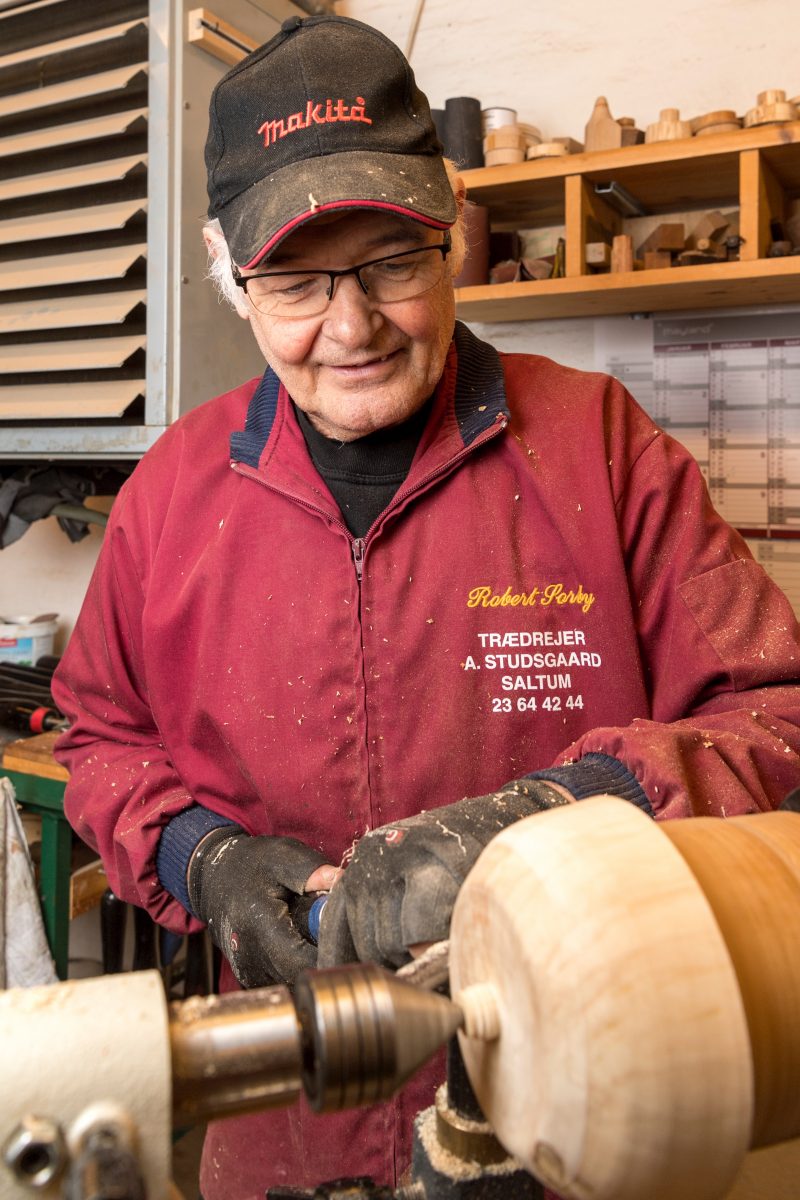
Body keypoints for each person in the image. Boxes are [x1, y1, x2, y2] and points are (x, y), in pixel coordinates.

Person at [52, 12, 800, 1200]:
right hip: (280, 1107)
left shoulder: (601, 450)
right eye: (295, 281)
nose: (349, 329)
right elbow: (100, 738)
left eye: (392, 262)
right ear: (227, 277)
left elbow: (776, 712)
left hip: (576, 1107)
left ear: (451, 232)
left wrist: (567, 803)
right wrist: (205, 862)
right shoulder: (166, 498)